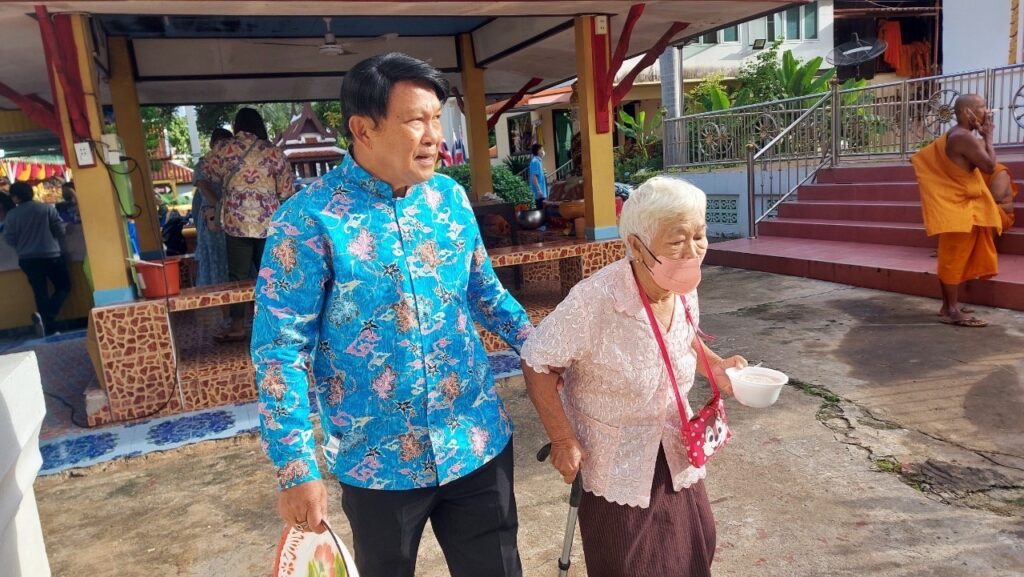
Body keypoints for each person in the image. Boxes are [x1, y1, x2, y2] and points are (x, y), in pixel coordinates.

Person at [251, 53, 533, 577]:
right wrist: (295, 467)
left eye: (436, 118)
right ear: (364, 129)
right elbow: (279, 351)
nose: (434, 136)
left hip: (474, 440)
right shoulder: (306, 221)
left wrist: (546, 346)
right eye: (415, 120)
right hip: (377, 460)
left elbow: (485, 295)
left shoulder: (449, 200)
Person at [520, 176, 747, 577]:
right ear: (638, 246)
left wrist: (716, 367)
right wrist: (563, 439)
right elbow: (537, 362)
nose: (692, 251)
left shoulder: (682, 284)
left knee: (697, 550)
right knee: (632, 564)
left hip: (677, 446)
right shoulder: (595, 301)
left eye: (699, 236)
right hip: (617, 463)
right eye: (677, 241)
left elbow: (684, 338)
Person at [911, 94, 1007, 327]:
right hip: (959, 208)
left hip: (962, 205)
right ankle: (951, 310)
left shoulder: (955, 134)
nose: (987, 112)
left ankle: (948, 305)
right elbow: (989, 165)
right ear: (967, 113)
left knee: (955, 257)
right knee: (952, 260)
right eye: (982, 107)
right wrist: (988, 138)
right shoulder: (963, 137)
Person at [204, 108, 294, 342]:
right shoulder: (274, 152)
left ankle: (237, 326)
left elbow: (207, 172)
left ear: (237, 126)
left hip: (237, 222)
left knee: (238, 277)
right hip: (268, 223)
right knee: (272, 274)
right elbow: (286, 191)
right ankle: (278, 325)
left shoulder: (225, 149)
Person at [4, 181, 70, 337]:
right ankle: (49, 317)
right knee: (64, 286)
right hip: (51, 255)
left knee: (40, 293)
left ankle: (46, 325)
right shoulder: (47, 209)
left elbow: (9, 239)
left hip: (27, 259)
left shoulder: (11, 215)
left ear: (15, 197)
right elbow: (60, 231)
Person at [191, 128, 233, 286]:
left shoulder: (231, 163)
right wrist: (221, 207)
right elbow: (204, 188)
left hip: (223, 216)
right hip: (215, 218)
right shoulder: (204, 164)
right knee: (218, 259)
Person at [528, 143, 548, 209]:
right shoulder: (535, 161)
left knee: (543, 210)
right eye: (542, 149)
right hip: (538, 193)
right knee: (541, 210)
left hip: (541, 192)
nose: (543, 151)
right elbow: (534, 177)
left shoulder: (538, 161)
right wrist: (539, 190)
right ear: (538, 151)